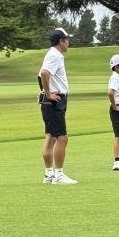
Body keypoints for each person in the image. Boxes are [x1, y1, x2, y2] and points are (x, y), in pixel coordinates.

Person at [38, 28, 77, 185]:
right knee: (62, 138)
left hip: (50, 101)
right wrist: (48, 93)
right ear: (61, 41)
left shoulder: (52, 54)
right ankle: (59, 175)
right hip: (54, 101)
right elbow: (44, 73)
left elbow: (41, 75)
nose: (68, 43)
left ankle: (49, 174)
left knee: (51, 137)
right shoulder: (55, 55)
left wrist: (45, 92)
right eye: (67, 40)